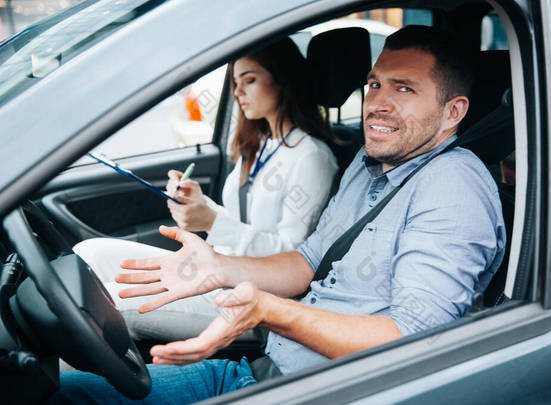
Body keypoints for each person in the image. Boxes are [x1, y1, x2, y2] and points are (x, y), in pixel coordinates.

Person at [51, 25, 506, 403]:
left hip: (313, 391)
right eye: (374, 83)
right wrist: (219, 266)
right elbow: (307, 260)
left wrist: (268, 312)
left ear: (453, 113)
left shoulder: (452, 189)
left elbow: (412, 338)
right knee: (53, 393)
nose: (376, 102)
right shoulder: (368, 167)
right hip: (260, 370)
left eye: (403, 88)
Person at [72, 37, 339, 341]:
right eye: (235, 82)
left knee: (103, 306)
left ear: (282, 80)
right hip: (218, 270)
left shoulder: (311, 157)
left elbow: (294, 258)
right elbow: (243, 223)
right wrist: (200, 205)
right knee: (90, 252)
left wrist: (212, 222)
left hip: (255, 296)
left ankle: (67, 387)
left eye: (249, 80)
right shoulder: (262, 143)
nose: (237, 92)